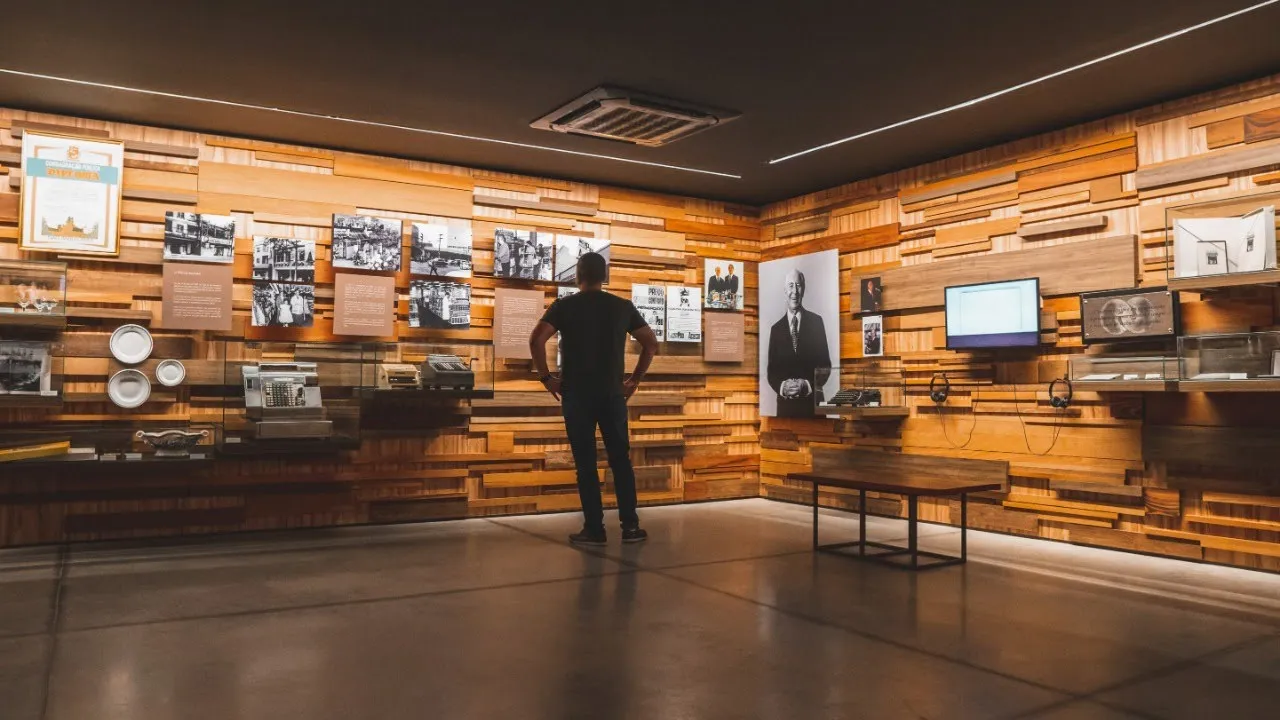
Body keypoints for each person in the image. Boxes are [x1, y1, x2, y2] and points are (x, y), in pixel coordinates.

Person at [529, 252, 659, 546]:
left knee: (585, 463)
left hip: (576, 395)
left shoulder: (564, 306)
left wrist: (547, 378)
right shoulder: (622, 307)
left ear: (578, 275)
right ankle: (630, 527)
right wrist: (634, 380)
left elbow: (536, 339)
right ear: (605, 276)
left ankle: (594, 529)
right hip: (612, 394)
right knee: (620, 460)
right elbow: (650, 344)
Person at [767, 268, 831, 417]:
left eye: (798, 285)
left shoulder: (817, 322)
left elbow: (825, 366)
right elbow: (771, 372)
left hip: (813, 411)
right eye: (790, 286)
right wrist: (783, 387)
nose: (794, 291)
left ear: (803, 289)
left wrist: (807, 385)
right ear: (785, 290)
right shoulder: (775, 330)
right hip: (786, 412)